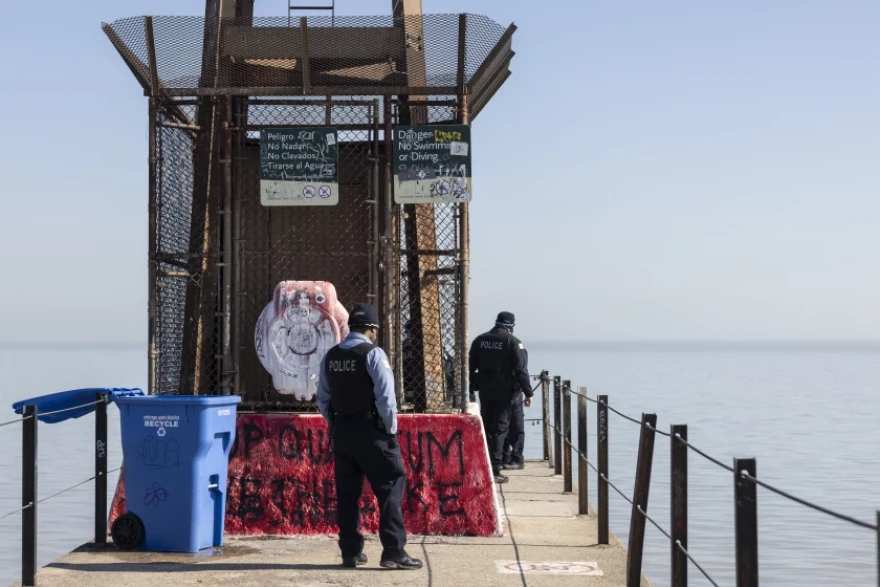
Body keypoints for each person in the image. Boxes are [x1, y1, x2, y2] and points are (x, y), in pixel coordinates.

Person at [316, 303, 423, 571]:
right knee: (390, 487)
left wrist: (337, 422)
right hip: (373, 432)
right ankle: (393, 552)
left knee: (348, 493)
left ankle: (350, 552)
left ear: (350, 326)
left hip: (342, 432)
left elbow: (323, 398)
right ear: (372, 329)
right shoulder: (373, 354)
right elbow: (386, 398)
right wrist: (389, 429)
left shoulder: (330, 356)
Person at [468, 311, 532, 483]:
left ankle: (487, 462)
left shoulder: (480, 340)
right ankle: (495, 469)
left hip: (485, 391)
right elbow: (521, 371)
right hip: (506, 393)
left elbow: (470, 366)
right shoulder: (513, 342)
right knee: (500, 428)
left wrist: (470, 390)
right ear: (511, 325)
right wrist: (528, 393)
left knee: (488, 426)